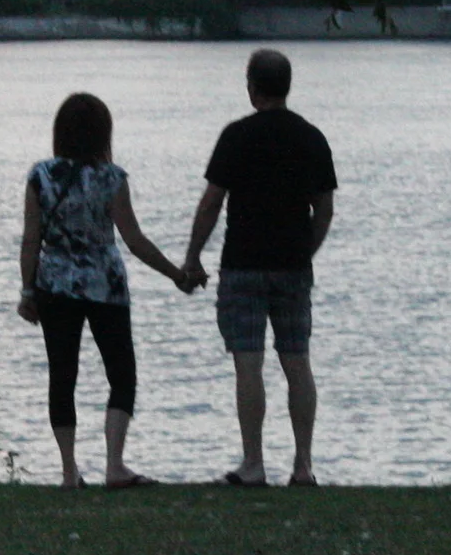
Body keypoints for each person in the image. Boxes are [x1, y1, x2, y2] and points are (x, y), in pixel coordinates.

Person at [17, 91, 202, 489]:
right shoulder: (111, 178)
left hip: (55, 284)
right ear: (103, 134)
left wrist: (27, 292)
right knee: (121, 372)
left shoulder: (40, 176)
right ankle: (115, 465)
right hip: (105, 283)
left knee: (62, 375)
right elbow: (134, 240)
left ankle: (69, 472)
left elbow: (31, 240)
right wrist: (175, 274)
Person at [181, 49, 338, 487]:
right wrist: (307, 250)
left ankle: (254, 463)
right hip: (292, 266)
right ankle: (303, 465)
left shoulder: (236, 136)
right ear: (287, 86)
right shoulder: (311, 137)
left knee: (248, 364)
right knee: (297, 361)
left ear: (252, 87)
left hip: (243, 264)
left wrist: (193, 256)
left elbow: (212, 202)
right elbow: (323, 208)